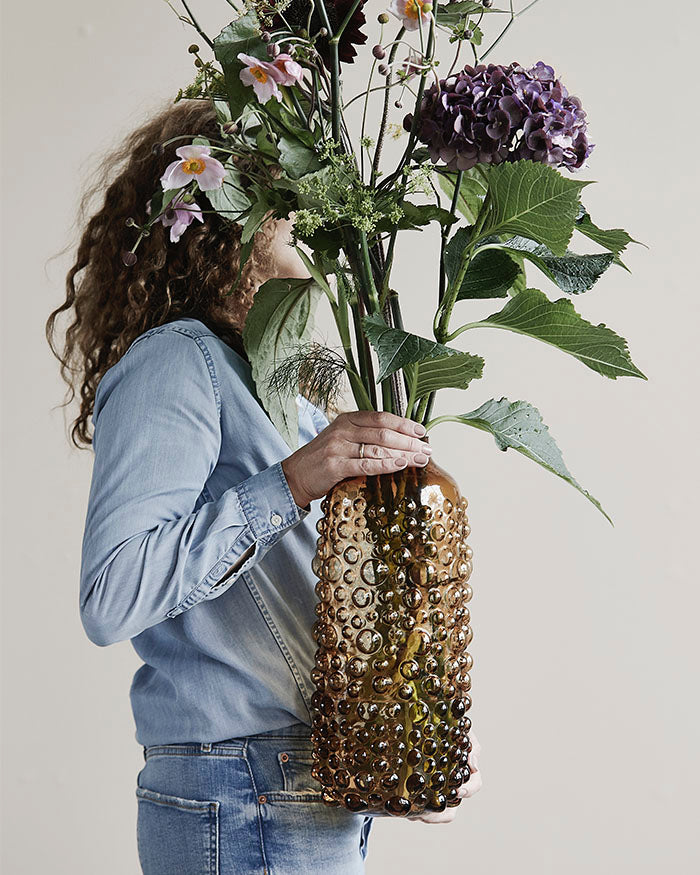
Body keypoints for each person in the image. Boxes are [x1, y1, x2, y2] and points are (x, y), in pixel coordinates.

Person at [46, 98, 482, 875]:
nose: (311, 240)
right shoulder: (178, 362)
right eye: (292, 211)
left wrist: (410, 739)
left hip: (295, 790)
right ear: (232, 224)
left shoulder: (288, 373)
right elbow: (111, 596)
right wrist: (293, 480)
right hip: (242, 789)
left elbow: (307, 599)